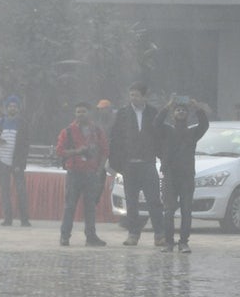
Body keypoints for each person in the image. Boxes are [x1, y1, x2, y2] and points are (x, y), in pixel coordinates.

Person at [108, 83, 168, 247]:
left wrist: (163, 159)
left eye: (136, 95)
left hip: (148, 164)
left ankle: (159, 234)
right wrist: (116, 163)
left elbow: (160, 138)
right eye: (131, 95)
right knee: (131, 202)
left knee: (154, 201)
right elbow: (115, 138)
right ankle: (133, 234)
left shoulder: (153, 113)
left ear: (144, 96)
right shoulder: (123, 114)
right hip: (129, 165)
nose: (133, 98)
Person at [156, 96, 209, 253]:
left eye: (183, 110)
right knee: (168, 210)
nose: (180, 112)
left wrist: (197, 107)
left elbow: (205, 125)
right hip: (170, 175)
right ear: (173, 114)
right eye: (177, 110)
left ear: (188, 114)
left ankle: (183, 242)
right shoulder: (166, 131)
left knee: (186, 210)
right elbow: (156, 124)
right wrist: (167, 106)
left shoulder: (192, 132)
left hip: (186, 176)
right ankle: (169, 243)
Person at [55, 102, 109, 247]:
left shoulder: (97, 131)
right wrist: (77, 152)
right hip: (74, 173)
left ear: (89, 113)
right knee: (69, 206)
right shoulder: (68, 131)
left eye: (83, 111)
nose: (80, 114)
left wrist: (99, 170)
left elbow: (104, 151)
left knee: (90, 207)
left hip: (91, 173)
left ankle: (91, 237)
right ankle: (65, 236)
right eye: (78, 112)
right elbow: (59, 151)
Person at [0, 95, 32, 226]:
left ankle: (24, 219)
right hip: (2, 161)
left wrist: (20, 163)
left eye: (14, 106)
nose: (12, 108)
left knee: (21, 191)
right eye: (10, 106)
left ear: (18, 108)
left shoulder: (23, 123)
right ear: (6, 108)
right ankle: (7, 218)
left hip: (17, 163)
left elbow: (25, 146)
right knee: (5, 191)